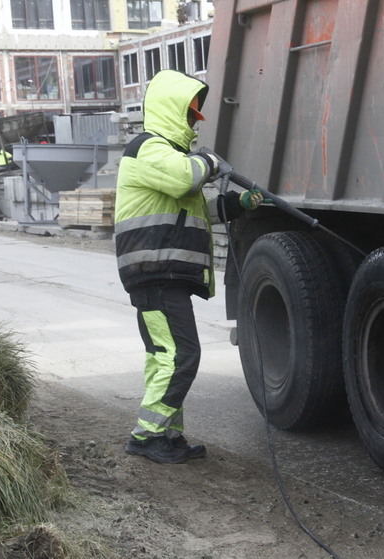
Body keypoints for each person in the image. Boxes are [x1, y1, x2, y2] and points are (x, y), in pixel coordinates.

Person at [114, 69, 263, 464]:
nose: (196, 123)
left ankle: (167, 436)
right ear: (172, 111)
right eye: (191, 114)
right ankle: (146, 437)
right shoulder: (147, 149)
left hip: (164, 272)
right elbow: (185, 181)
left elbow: (193, 212)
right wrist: (212, 162)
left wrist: (234, 206)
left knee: (165, 356)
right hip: (154, 271)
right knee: (181, 355)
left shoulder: (168, 157)